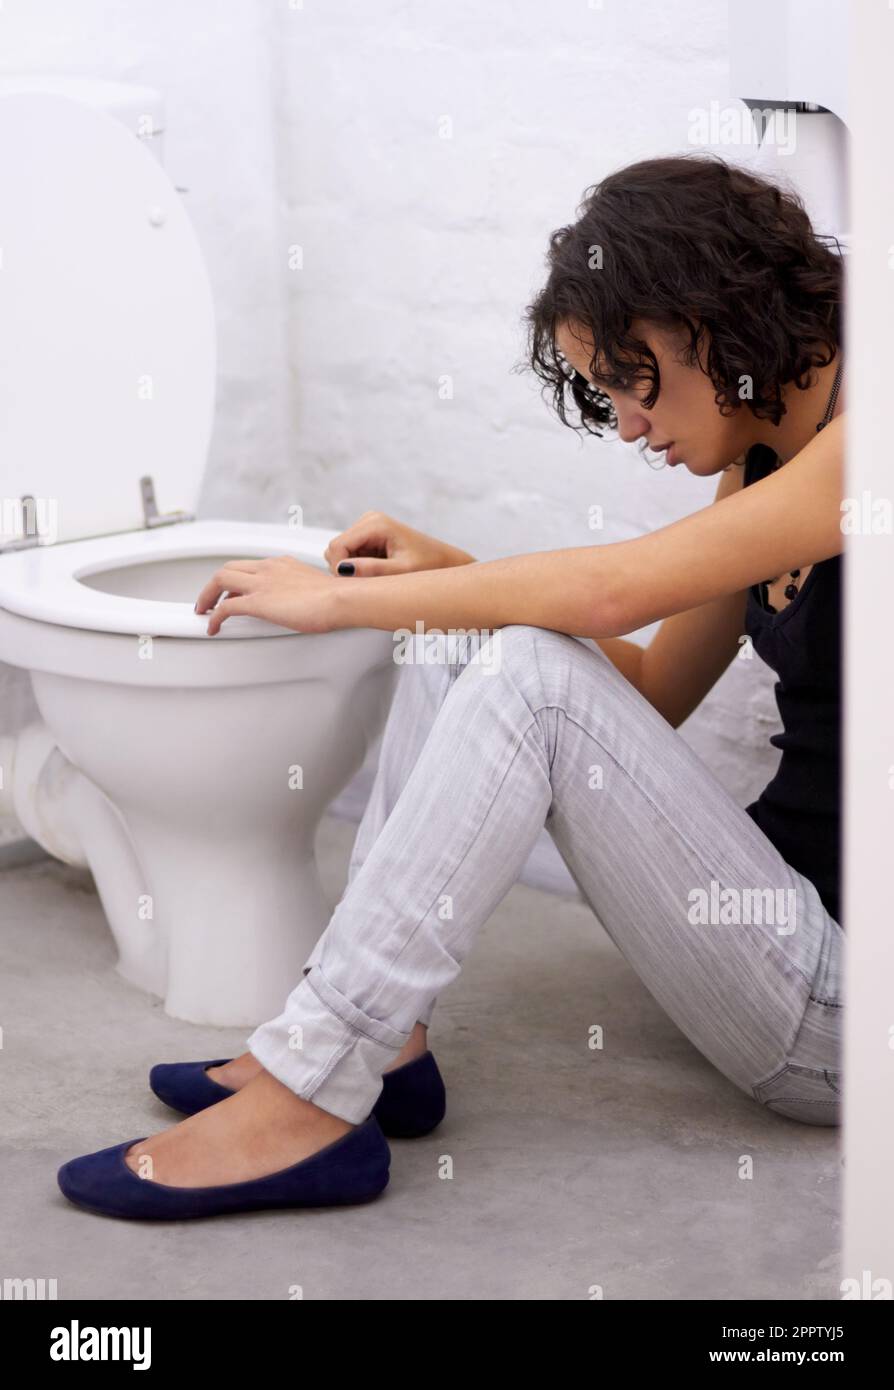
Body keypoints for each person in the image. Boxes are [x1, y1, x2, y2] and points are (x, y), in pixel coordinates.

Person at [57, 154, 846, 1220]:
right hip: (774, 918)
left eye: (628, 376)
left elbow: (612, 594)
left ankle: (310, 1093)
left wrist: (337, 602)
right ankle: (380, 1047)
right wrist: (447, 581)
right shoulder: (757, 452)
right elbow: (656, 685)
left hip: (842, 1014)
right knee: (464, 634)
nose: (623, 422)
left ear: (707, 316)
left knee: (514, 650)